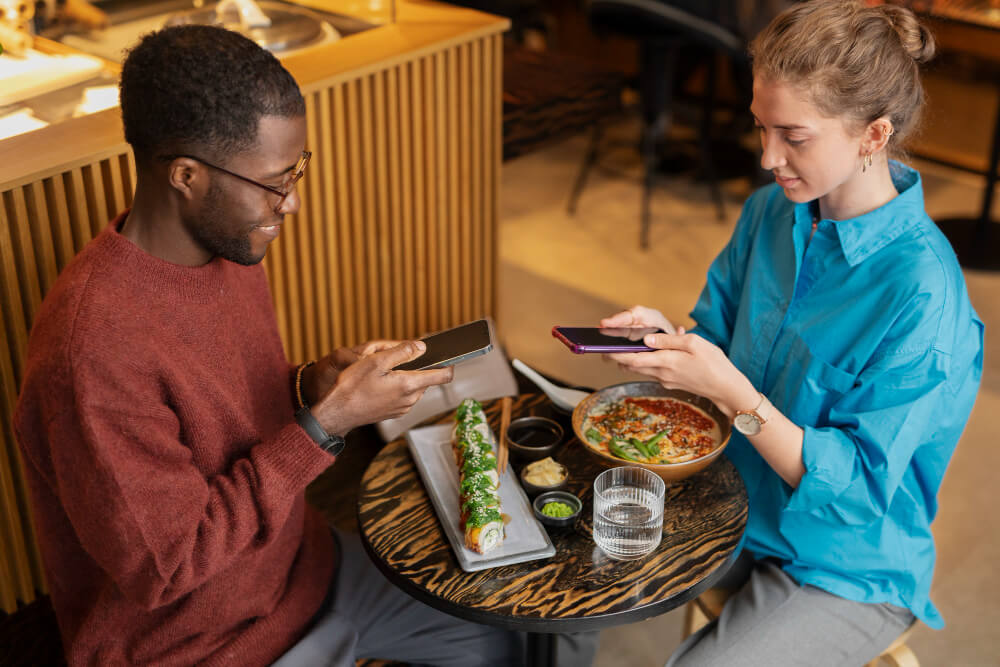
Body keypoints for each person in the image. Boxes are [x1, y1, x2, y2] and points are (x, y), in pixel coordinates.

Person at [14, 25, 540, 667]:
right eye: (275, 181)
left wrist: (312, 385)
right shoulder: (91, 353)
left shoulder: (229, 245)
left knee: (503, 635)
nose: (292, 202)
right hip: (200, 646)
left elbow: (222, 413)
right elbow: (166, 568)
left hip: (302, 570)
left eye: (297, 170)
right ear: (186, 175)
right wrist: (326, 425)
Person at [599, 2, 984, 665]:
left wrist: (736, 396)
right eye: (760, 128)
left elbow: (857, 494)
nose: (767, 156)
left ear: (873, 135)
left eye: (793, 136)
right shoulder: (771, 212)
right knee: (571, 567)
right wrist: (673, 342)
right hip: (737, 505)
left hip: (844, 563)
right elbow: (715, 335)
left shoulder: (923, 296)